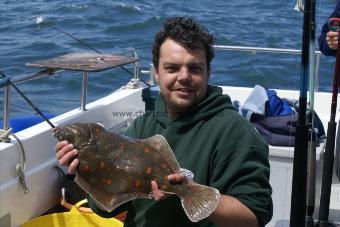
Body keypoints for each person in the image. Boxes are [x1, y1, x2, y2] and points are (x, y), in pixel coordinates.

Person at [55, 17, 273, 227]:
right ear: (156, 73)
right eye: (172, 68)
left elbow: (253, 216)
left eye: (195, 68)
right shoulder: (142, 125)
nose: (184, 76)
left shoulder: (236, 132)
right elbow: (106, 208)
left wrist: (188, 191)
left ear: (209, 72)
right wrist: (84, 171)